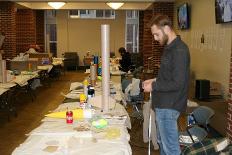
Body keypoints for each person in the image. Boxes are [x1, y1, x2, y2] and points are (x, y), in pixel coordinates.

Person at [142, 14, 190, 155]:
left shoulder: (179, 51)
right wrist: (155, 80)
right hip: (163, 104)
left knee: (171, 149)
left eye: (157, 34)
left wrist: (154, 86)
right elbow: (169, 77)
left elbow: (178, 83)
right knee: (164, 144)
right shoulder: (170, 48)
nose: (155, 39)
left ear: (167, 28)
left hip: (169, 106)